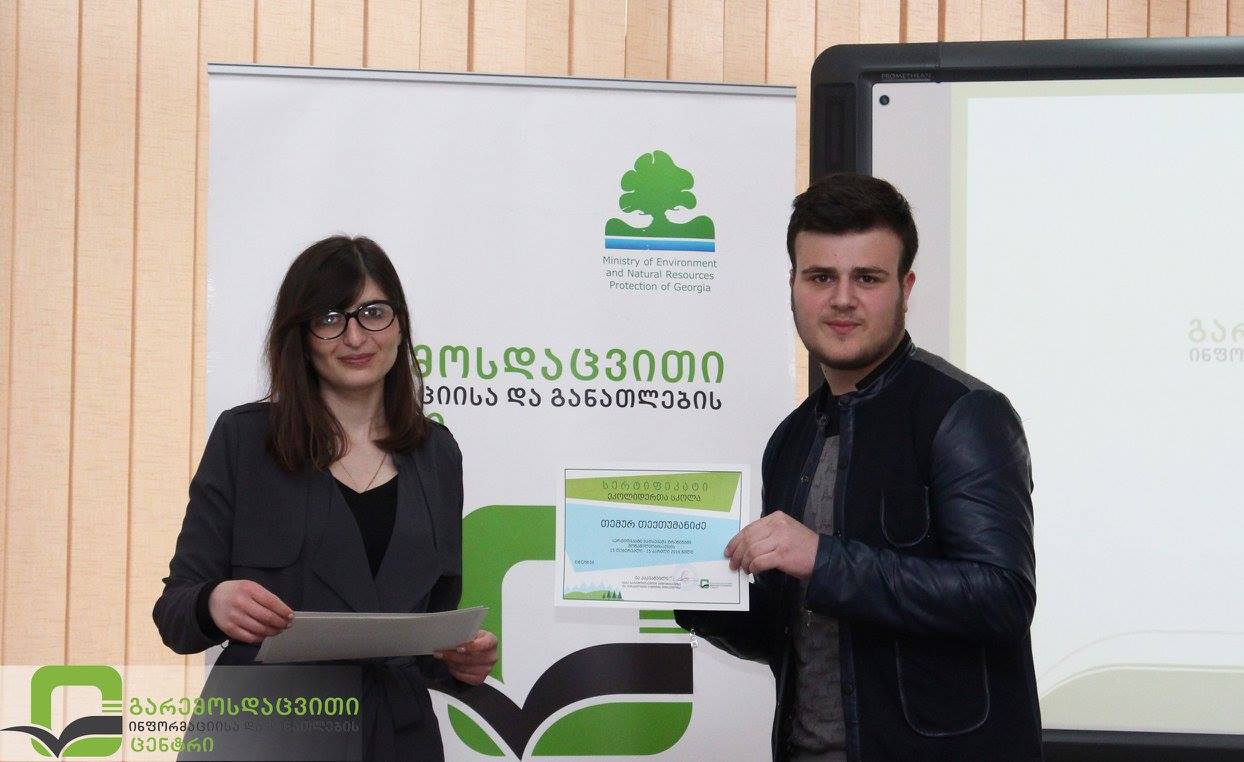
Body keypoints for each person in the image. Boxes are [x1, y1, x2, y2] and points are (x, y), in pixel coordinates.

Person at [675, 174, 1042, 761]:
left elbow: (1001, 597)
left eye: (867, 278)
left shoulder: (965, 413)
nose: (842, 299)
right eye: (820, 277)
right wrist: (691, 587)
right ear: (793, 285)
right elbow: (790, 634)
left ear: (905, 288)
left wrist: (823, 559)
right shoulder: (791, 438)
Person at [153, 235, 496, 761]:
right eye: (330, 318)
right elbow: (175, 613)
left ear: (400, 325)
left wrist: (460, 661)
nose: (355, 336)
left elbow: (429, 631)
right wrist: (213, 602)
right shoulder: (245, 439)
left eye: (373, 313)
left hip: (397, 739)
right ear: (301, 335)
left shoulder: (438, 453)